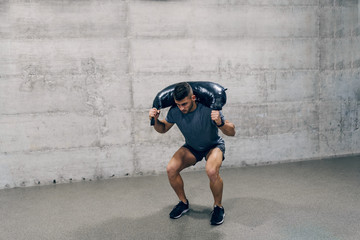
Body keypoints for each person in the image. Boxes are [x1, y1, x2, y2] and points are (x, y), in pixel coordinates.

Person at [148, 82, 235, 225]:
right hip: (192, 147)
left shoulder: (208, 108)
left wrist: (220, 122)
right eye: (178, 104)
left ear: (193, 97)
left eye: (184, 104)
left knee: (212, 171)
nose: (181, 108)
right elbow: (162, 129)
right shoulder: (175, 111)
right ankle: (183, 203)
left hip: (213, 146)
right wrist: (155, 120)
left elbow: (232, 131)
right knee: (171, 169)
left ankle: (218, 207)